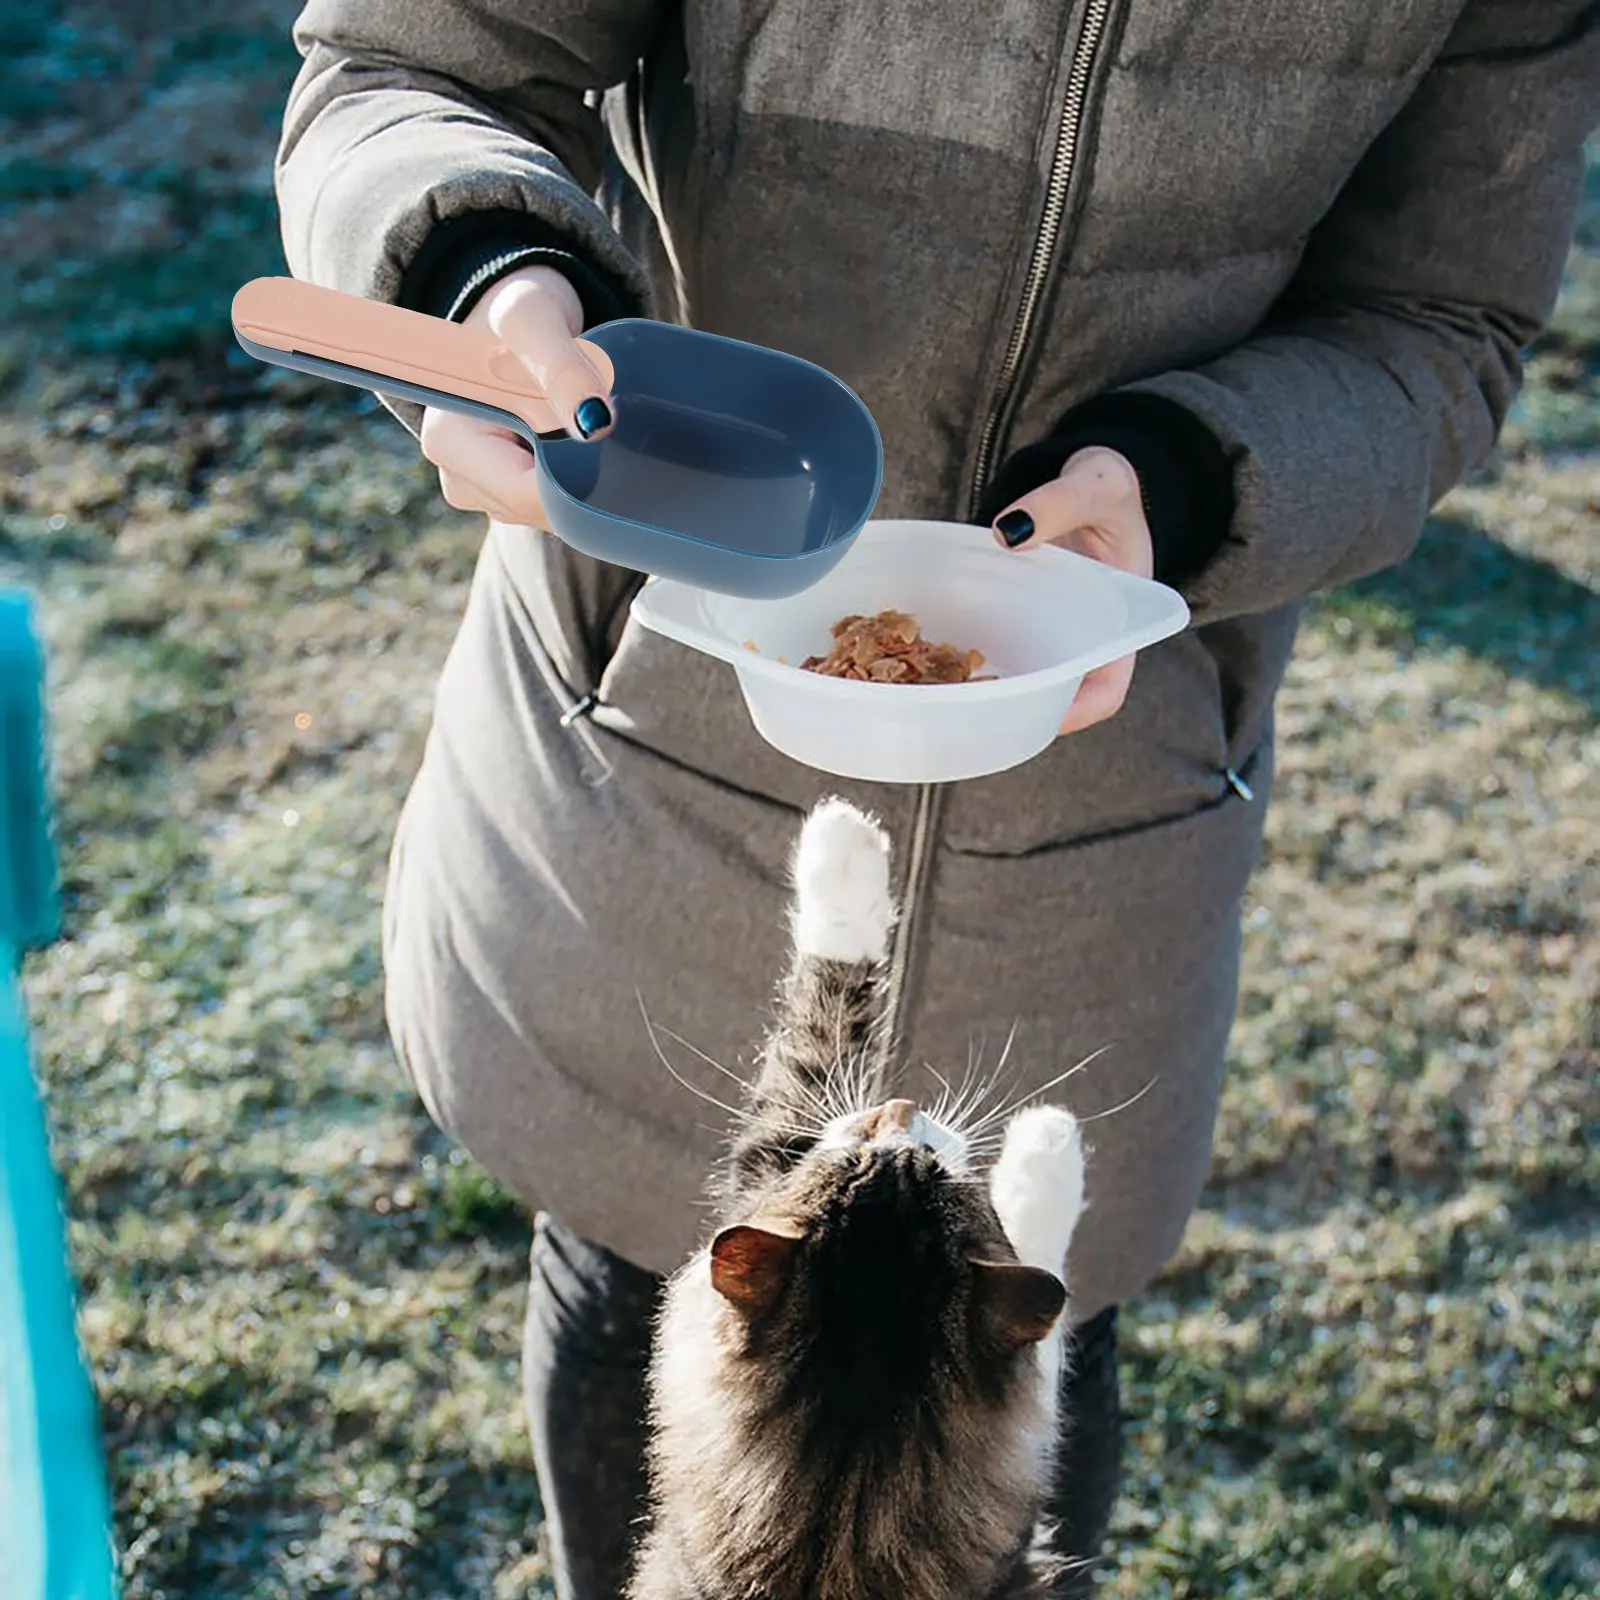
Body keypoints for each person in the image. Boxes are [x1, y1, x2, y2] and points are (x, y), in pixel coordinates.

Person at [275, 2, 1599, 1593]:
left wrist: (1188, 481)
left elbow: (1442, 320)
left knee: (1019, 1351)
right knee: (634, 1279)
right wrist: (482, 282)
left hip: (1105, 812)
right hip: (656, 742)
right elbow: (414, 60)